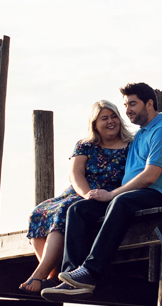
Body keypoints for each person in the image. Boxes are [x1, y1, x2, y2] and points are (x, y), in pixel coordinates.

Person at [43, 81, 162, 298]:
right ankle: (71, 276)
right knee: (79, 209)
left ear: (149, 104)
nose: (127, 110)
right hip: (134, 195)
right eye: (126, 105)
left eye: (132, 104)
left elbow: (150, 177)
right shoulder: (141, 134)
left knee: (121, 201)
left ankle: (90, 271)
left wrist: (112, 194)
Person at [17, 101, 131, 296]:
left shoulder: (130, 145)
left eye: (114, 117)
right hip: (81, 192)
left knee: (63, 212)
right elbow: (75, 174)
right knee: (38, 213)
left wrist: (99, 196)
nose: (111, 121)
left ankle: (41, 274)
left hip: (108, 194)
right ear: (95, 123)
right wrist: (86, 194)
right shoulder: (85, 145)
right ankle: (54, 276)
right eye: (104, 118)